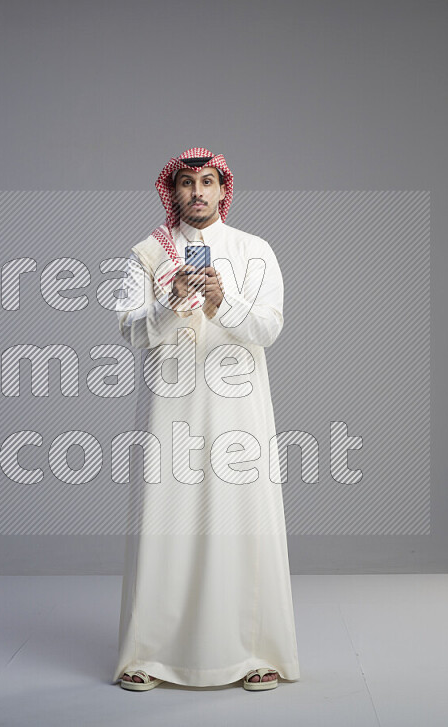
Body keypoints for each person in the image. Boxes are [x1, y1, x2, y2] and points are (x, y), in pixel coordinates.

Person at [112, 147, 300, 691]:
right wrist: (169, 303)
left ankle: (253, 653)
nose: (197, 192)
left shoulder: (254, 250)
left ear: (223, 191)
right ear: (172, 193)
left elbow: (269, 330)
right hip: (170, 407)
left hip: (238, 410)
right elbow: (128, 331)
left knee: (242, 518)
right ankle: (147, 655)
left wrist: (225, 304)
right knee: (164, 523)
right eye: (187, 183)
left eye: (208, 182)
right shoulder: (148, 253)